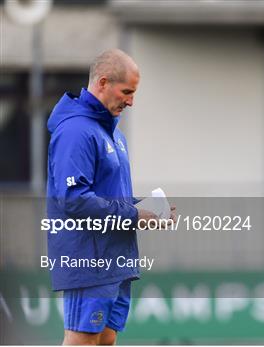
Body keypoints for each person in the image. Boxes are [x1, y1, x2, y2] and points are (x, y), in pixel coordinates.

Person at [46, 49, 167, 345]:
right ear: (102, 83)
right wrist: (133, 215)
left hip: (116, 258)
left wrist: (145, 210)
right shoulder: (76, 131)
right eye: (127, 91)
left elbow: (110, 197)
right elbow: (72, 199)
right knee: (83, 340)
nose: (131, 101)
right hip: (89, 260)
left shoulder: (113, 134)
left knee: (106, 339)